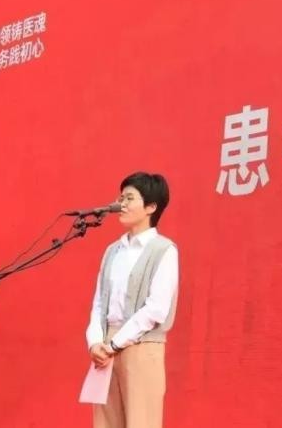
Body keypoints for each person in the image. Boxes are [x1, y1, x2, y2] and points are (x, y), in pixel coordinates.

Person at [85, 172, 179, 428]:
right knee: (105, 422)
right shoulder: (112, 251)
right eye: (121, 198)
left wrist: (115, 344)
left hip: (141, 346)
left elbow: (156, 309)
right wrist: (95, 343)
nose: (121, 204)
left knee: (141, 422)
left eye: (129, 198)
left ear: (151, 207)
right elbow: (99, 303)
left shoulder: (164, 250)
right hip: (106, 349)